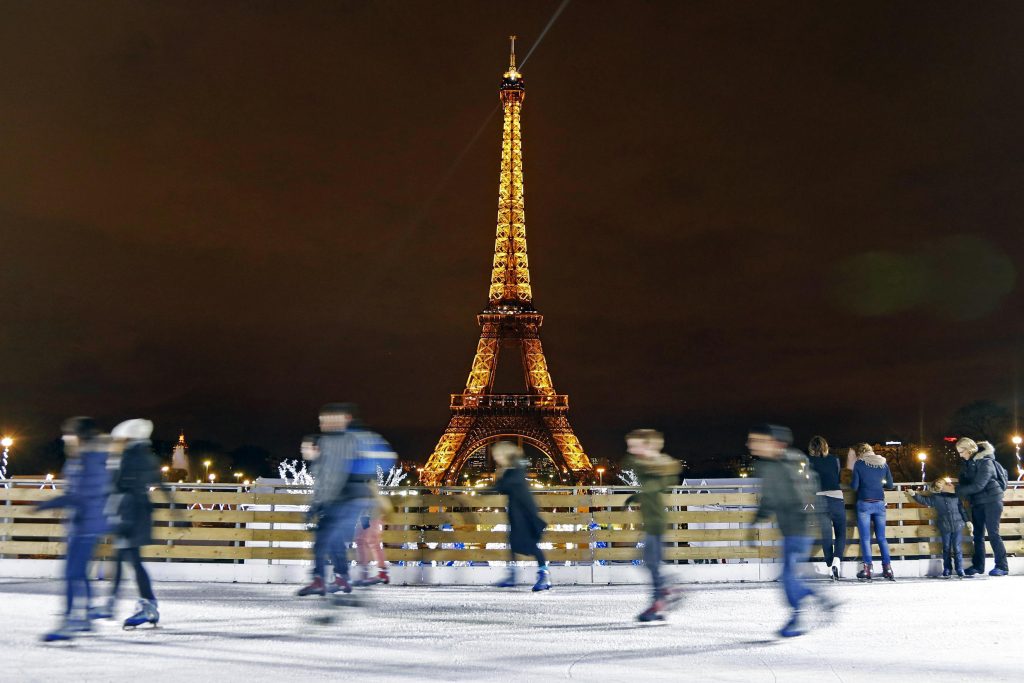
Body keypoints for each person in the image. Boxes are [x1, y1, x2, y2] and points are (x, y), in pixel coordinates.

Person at [297, 403, 397, 597]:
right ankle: (340, 577)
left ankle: (334, 577)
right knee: (341, 539)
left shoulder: (346, 440)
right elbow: (386, 459)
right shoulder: (362, 439)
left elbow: (331, 474)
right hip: (355, 497)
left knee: (336, 539)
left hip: (347, 498)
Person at [35, 417, 116, 642]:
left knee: (71, 573)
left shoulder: (89, 462)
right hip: (84, 523)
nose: (65, 439)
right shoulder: (84, 459)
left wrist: (49, 503)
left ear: (80, 437)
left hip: (86, 525)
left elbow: (81, 496)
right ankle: (86, 616)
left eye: (69, 435)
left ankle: (71, 620)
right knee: (78, 572)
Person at [749, 424, 833, 638]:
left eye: (757, 440)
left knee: (787, 576)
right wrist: (755, 522)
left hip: (800, 527)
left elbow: (804, 494)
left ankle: (798, 617)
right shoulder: (768, 467)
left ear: (775, 443)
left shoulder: (792, 462)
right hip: (788, 529)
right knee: (788, 575)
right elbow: (769, 499)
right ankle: (817, 599)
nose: (751, 445)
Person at [95, 419, 174, 628]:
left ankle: (146, 606)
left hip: (130, 515)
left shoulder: (131, 457)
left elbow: (118, 486)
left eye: (119, 438)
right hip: (132, 513)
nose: (115, 442)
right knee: (123, 558)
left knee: (131, 560)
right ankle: (117, 604)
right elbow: (159, 482)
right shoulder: (139, 455)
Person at [624, 429, 682, 622]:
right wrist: (635, 497)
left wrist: (655, 461)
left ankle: (662, 597)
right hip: (651, 521)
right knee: (648, 561)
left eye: (635, 445)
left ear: (647, 445)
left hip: (656, 522)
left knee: (650, 562)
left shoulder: (659, 467)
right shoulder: (645, 466)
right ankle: (664, 593)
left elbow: (663, 484)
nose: (631, 450)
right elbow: (649, 488)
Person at [489, 441, 550, 592]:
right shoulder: (510, 469)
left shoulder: (517, 467)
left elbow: (503, 486)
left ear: (504, 454)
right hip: (516, 513)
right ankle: (513, 575)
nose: (496, 458)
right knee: (512, 542)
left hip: (525, 513)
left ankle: (544, 576)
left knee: (530, 544)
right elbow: (500, 487)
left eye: (497, 455)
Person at [955, 439, 1008, 576]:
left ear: (969, 450)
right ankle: (978, 566)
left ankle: (1002, 566)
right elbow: (965, 482)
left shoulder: (986, 462)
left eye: (962, 452)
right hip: (977, 502)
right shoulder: (967, 463)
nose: (960, 455)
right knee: (978, 535)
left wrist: (957, 490)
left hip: (992, 500)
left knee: (993, 533)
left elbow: (979, 485)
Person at [850, 443, 896, 581]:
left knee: (865, 538)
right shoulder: (883, 464)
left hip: (864, 503)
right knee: (882, 538)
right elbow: (890, 485)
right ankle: (887, 569)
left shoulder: (859, 464)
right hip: (880, 503)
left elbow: (854, 486)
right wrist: (877, 483)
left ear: (861, 453)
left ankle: (868, 569)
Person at [906, 478, 968, 578]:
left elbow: (962, 509)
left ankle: (959, 568)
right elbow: (924, 500)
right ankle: (947, 568)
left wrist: (967, 521)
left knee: (957, 548)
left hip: (958, 525)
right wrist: (914, 494)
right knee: (946, 548)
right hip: (945, 526)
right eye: (943, 483)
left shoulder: (955, 496)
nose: (947, 484)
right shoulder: (936, 498)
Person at [807, 436, 845, 581]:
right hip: (836, 498)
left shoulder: (809, 462)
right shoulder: (835, 459)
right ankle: (837, 561)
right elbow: (838, 478)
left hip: (820, 499)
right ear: (825, 446)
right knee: (841, 533)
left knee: (826, 535)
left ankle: (830, 567)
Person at [353, 488, 392, 587]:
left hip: (369, 511)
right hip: (370, 511)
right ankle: (380, 572)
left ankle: (367, 574)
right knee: (369, 541)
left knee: (364, 540)